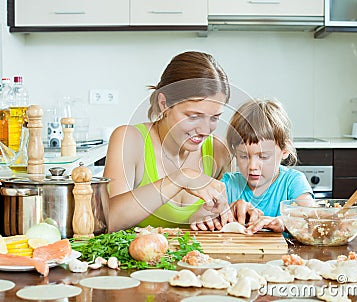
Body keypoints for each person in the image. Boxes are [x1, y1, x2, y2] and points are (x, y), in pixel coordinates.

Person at [104, 51, 260, 233]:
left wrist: (234, 211)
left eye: (215, 117)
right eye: (193, 116)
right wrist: (180, 178)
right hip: (140, 260)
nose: (204, 130)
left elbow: (223, 218)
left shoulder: (219, 151)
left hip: (200, 259)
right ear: (164, 104)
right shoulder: (130, 140)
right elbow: (108, 221)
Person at [221, 99, 314, 234]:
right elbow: (201, 216)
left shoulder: (292, 182)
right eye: (244, 156)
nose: (252, 166)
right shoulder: (228, 184)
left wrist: (285, 222)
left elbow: (311, 217)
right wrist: (223, 212)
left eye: (263, 157)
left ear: (285, 151)